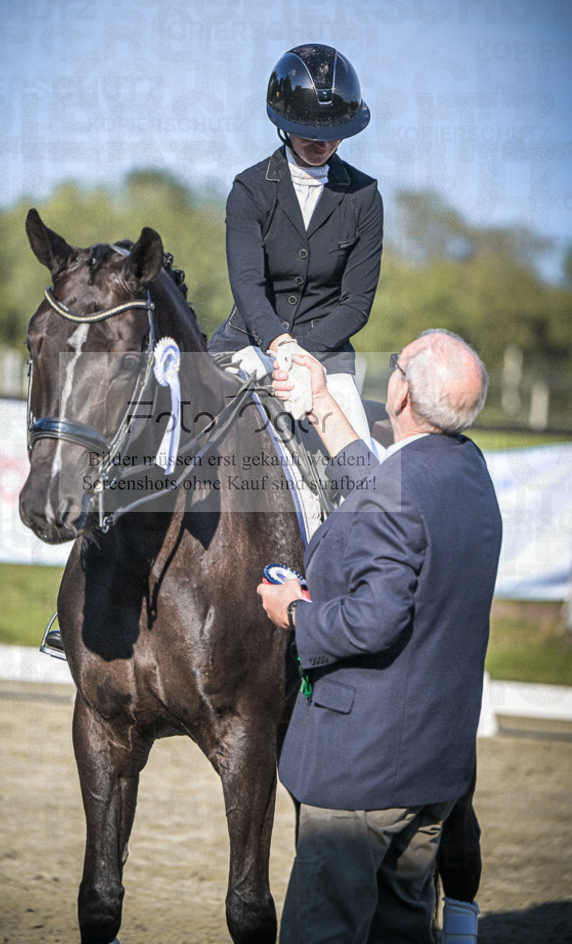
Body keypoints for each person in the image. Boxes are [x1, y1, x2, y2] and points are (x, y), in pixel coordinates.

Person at [259, 330, 502, 944]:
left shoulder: (403, 493)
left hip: (361, 777)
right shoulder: (466, 470)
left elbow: (374, 618)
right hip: (430, 772)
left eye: (396, 366)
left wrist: (295, 612)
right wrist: (319, 402)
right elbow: (384, 489)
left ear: (399, 395)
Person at [208, 43, 382, 446]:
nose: (322, 144)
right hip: (248, 342)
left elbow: (356, 303)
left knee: (357, 474)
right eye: (310, 133)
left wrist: (301, 355)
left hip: (326, 359)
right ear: (284, 123)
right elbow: (248, 284)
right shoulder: (249, 189)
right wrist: (277, 343)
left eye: (332, 135)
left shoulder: (364, 197)